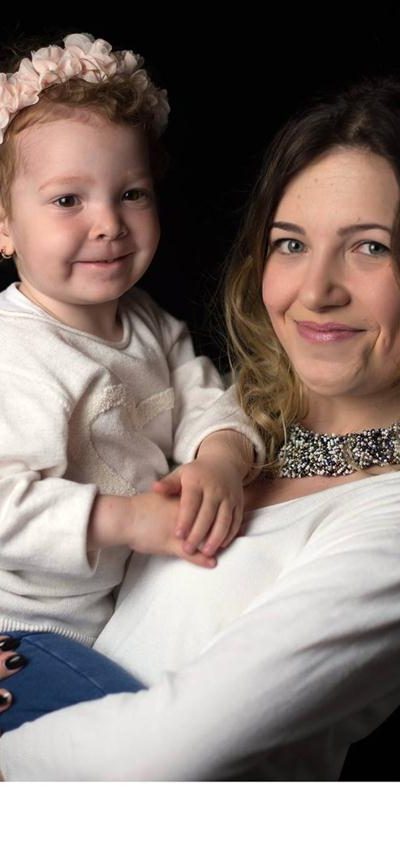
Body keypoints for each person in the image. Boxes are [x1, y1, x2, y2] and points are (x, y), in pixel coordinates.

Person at [3, 73, 400, 782]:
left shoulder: (386, 519)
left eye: (372, 247)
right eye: (290, 244)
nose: (316, 291)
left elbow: (154, 759)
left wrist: (218, 456)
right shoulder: (252, 411)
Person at [0, 33, 266, 733]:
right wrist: (125, 520)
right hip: (15, 632)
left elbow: (208, 398)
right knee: (127, 742)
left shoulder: (147, 323)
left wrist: (220, 457)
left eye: (131, 194)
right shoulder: (14, 353)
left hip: (96, 624)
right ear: (4, 225)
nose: (108, 224)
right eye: (67, 199)